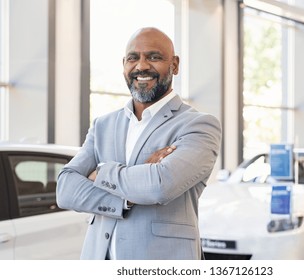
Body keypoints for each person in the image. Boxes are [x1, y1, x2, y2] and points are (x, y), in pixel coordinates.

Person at [56, 27, 222, 260]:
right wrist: (127, 198)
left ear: (174, 65)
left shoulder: (198, 125)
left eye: (154, 57)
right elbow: (65, 190)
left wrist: (100, 172)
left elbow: (159, 186)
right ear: (124, 64)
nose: (142, 66)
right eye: (133, 58)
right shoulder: (103, 124)